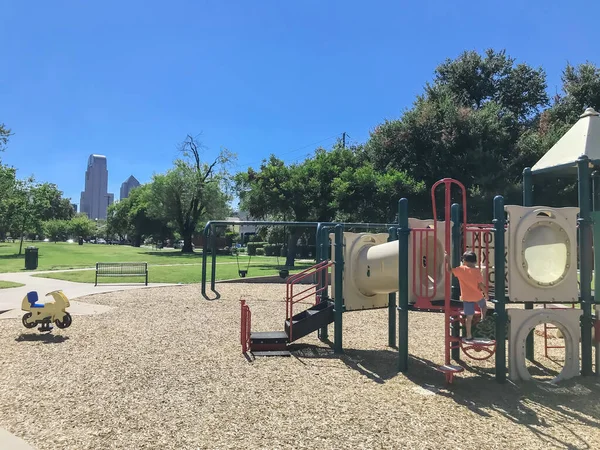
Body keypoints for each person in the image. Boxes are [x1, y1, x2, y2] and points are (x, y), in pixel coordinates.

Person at [445, 250, 487, 341]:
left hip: (466, 297)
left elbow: (449, 270)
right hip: (477, 295)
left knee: (469, 317)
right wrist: (486, 294)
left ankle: (468, 335)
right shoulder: (476, 271)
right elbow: (481, 285)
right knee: (483, 306)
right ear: (475, 261)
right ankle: (483, 319)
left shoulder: (461, 269)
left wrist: (448, 260)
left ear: (464, 261)